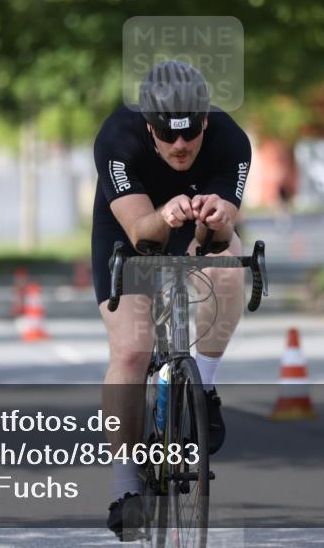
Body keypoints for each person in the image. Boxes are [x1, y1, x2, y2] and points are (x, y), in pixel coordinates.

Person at [92, 60, 251, 540]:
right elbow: (143, 233)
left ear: (204, 121)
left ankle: (202, 383)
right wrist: (166, 213)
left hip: (194, 226)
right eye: (167, 135)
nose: (180, 146)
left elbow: (214, 241)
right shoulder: (117, 136)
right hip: (129, 230)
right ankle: (125, 489)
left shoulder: (231, 140)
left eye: (189, 134)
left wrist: (217, 218)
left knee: (230, 263)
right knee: (133, 351)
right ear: (149, 126)